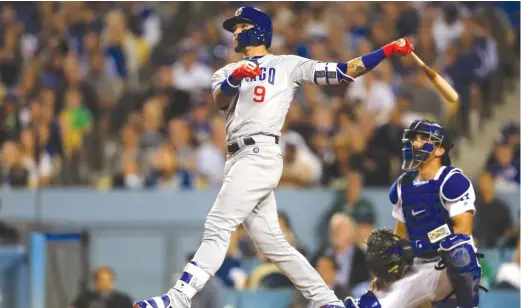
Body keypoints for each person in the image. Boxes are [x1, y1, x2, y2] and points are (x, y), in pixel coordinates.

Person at [133, 6, 413, 308]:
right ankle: (327, 302)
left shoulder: (286, 64)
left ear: (260, 30)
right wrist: (236, 77)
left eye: (241, 26)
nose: (236, 32)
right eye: (234, 28)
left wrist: (385, 51)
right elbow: (219, 99)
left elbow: (342, 71)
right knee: (275, 245)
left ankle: (178, 298)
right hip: (237, 157)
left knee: (218, 225)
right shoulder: (226, 70)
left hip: (259, 152)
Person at [344, 119, 485, 308]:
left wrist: (426, 242)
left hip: (446, 266)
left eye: (423, 138)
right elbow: (401, 233)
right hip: (418, 265)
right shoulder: (403, 185)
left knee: (460, 249)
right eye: (413, 138)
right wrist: (386, 273)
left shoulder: (453, 181)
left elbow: (463, 231)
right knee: (370, 305)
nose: (415, 143)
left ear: (440, 150)